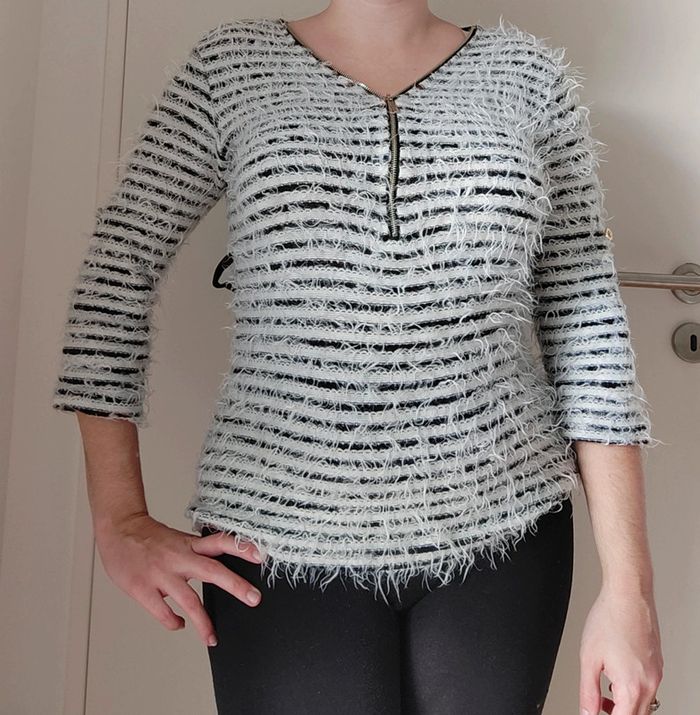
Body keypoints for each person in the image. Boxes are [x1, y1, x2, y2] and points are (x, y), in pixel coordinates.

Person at [51, 2, 664, 713]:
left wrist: (630, 592)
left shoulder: (530, 76)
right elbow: (114, 277)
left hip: (507, 535)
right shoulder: (231, 69)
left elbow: (588, 327)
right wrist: (119, 520)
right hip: (278, 546)